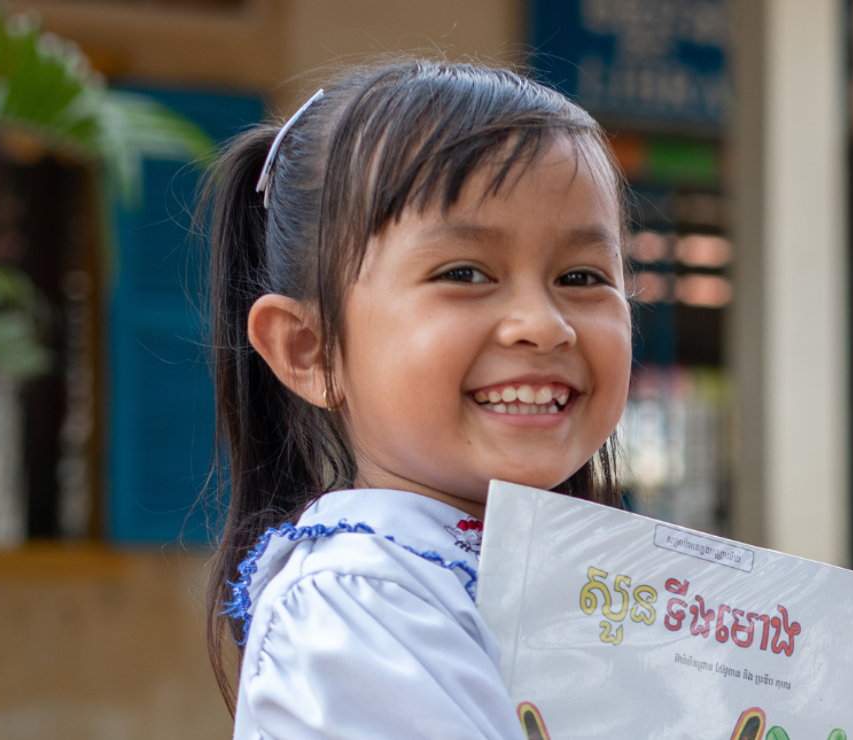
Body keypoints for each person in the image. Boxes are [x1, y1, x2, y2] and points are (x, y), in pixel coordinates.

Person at [196, 60, 632, 739]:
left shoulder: (606, 595)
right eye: (463, 273)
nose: (545, 324)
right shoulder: (355, 598)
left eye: (581, 276)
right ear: (308, 350)